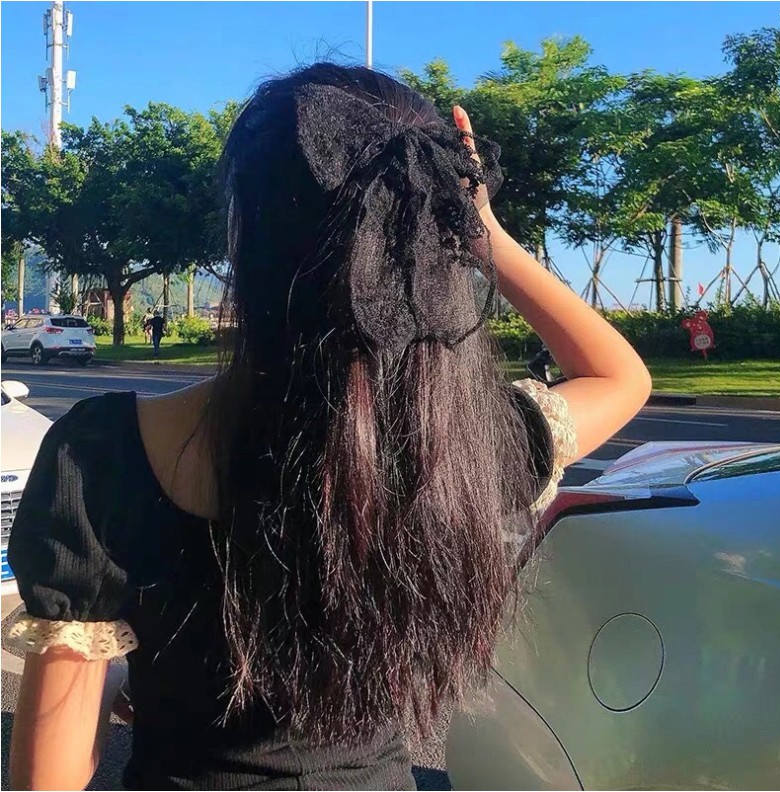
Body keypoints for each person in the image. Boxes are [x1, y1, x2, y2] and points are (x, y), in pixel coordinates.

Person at [7, 64, 650, 792]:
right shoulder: (464, 445)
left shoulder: (101, 455)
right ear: (435, 237)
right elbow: (619, 378)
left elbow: (47, 780)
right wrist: (485, 231)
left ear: (249, 238)